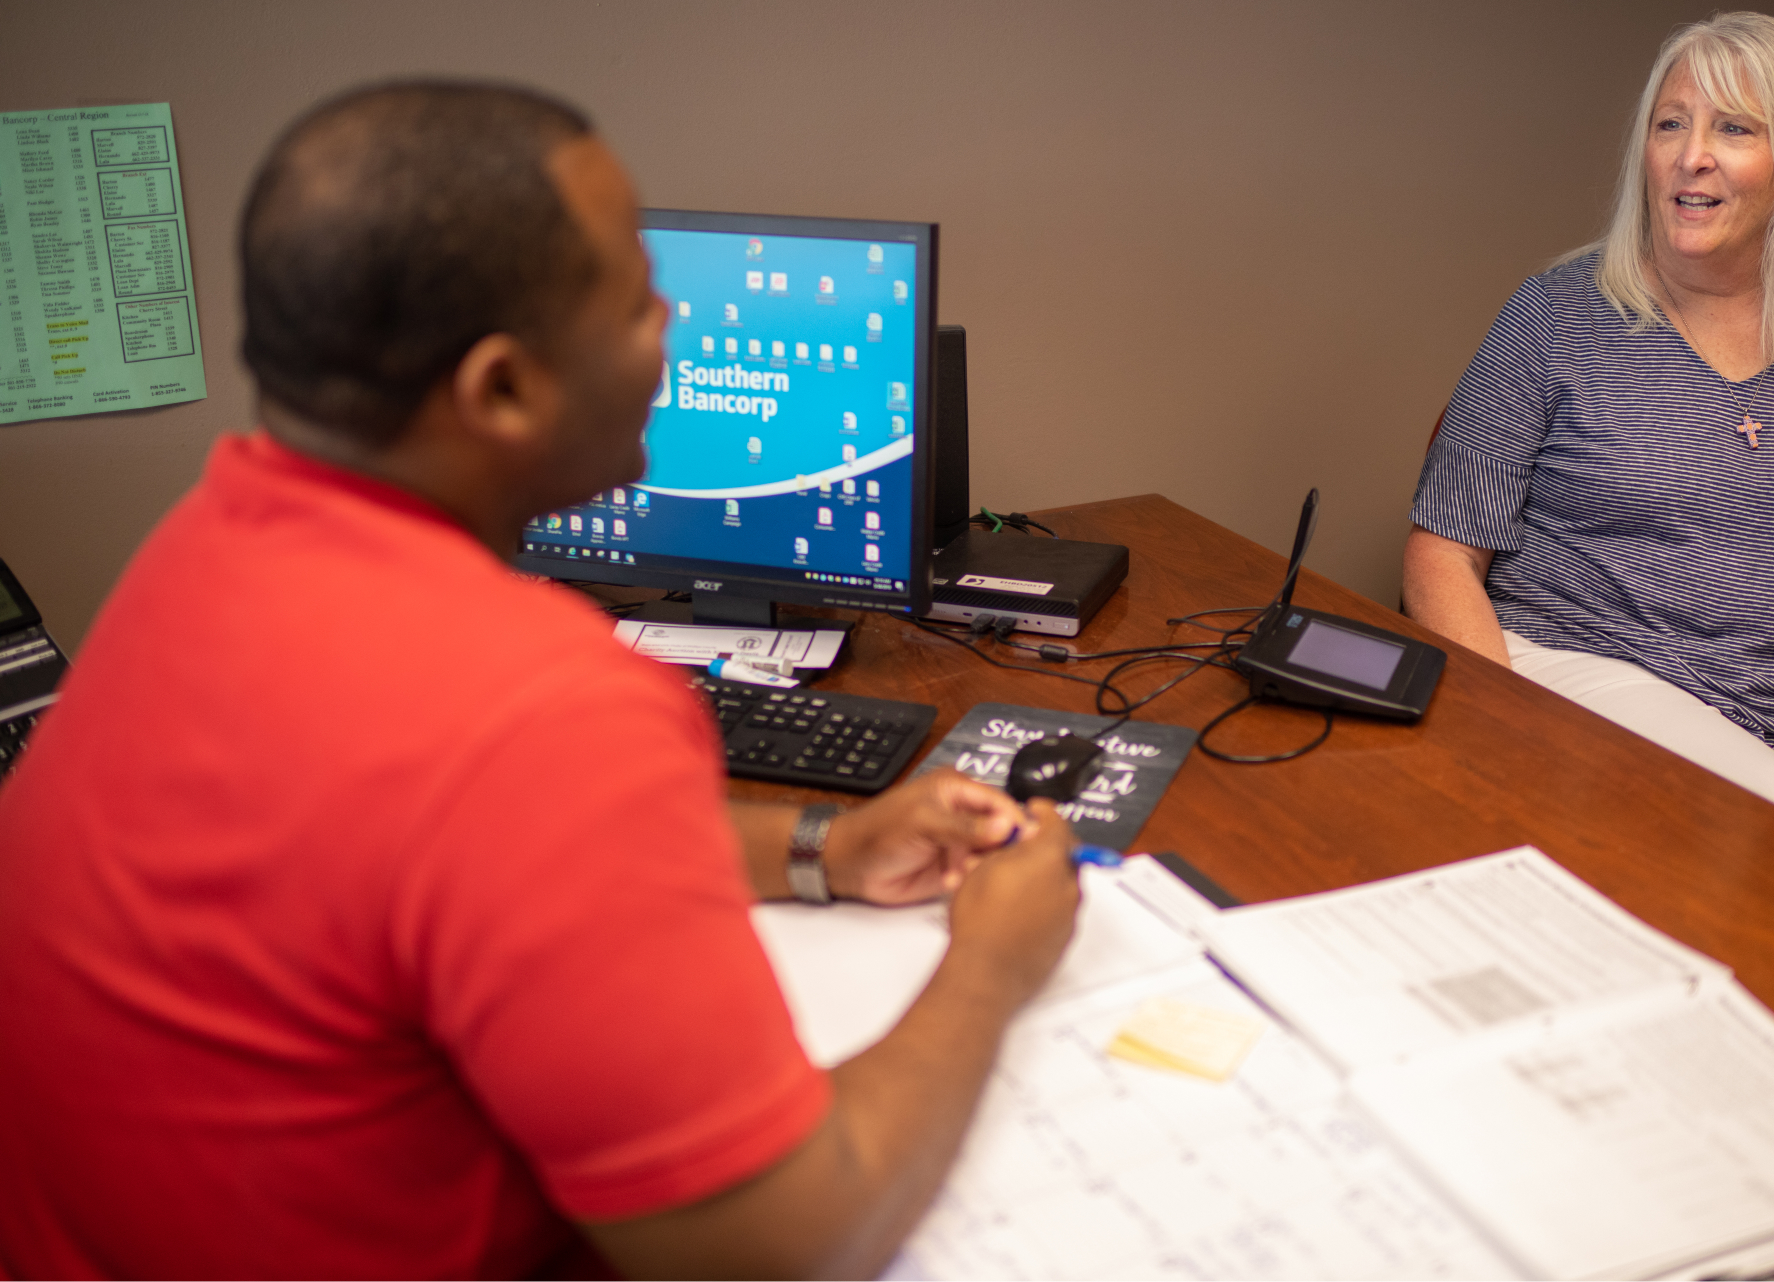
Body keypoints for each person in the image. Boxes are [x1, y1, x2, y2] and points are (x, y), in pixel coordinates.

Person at [0, 82, 1080, 1279]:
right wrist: (991, 961)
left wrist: (821, 845)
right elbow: (782, 1244)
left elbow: (434, 861)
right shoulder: (542, 709)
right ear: (501, 388)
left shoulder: (203, 546)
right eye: (632, 297)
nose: (669, 316)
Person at [1403, 11, 1774, 851]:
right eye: (1670, 124)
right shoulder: (1555, 314)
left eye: (1733, 128)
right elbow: (1441, 552)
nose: (1690, 154)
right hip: (1585, 684)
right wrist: (1508, 731)